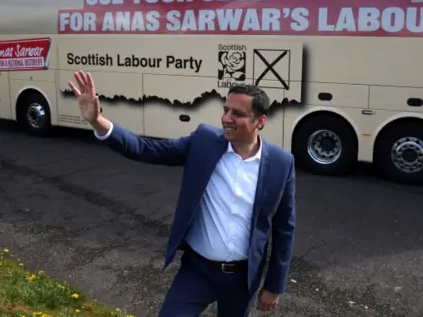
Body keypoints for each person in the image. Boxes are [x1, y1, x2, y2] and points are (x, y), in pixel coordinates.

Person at [68, 71, 296, 316]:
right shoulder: (204, 141)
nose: (227, 118)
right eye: (225, 110)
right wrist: (96, 121)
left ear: (260, 121)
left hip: (243, 280)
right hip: (197, 272)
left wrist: (274, 286)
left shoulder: (282, 164)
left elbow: (284, 229)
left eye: (237, 114)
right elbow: (146, 149)